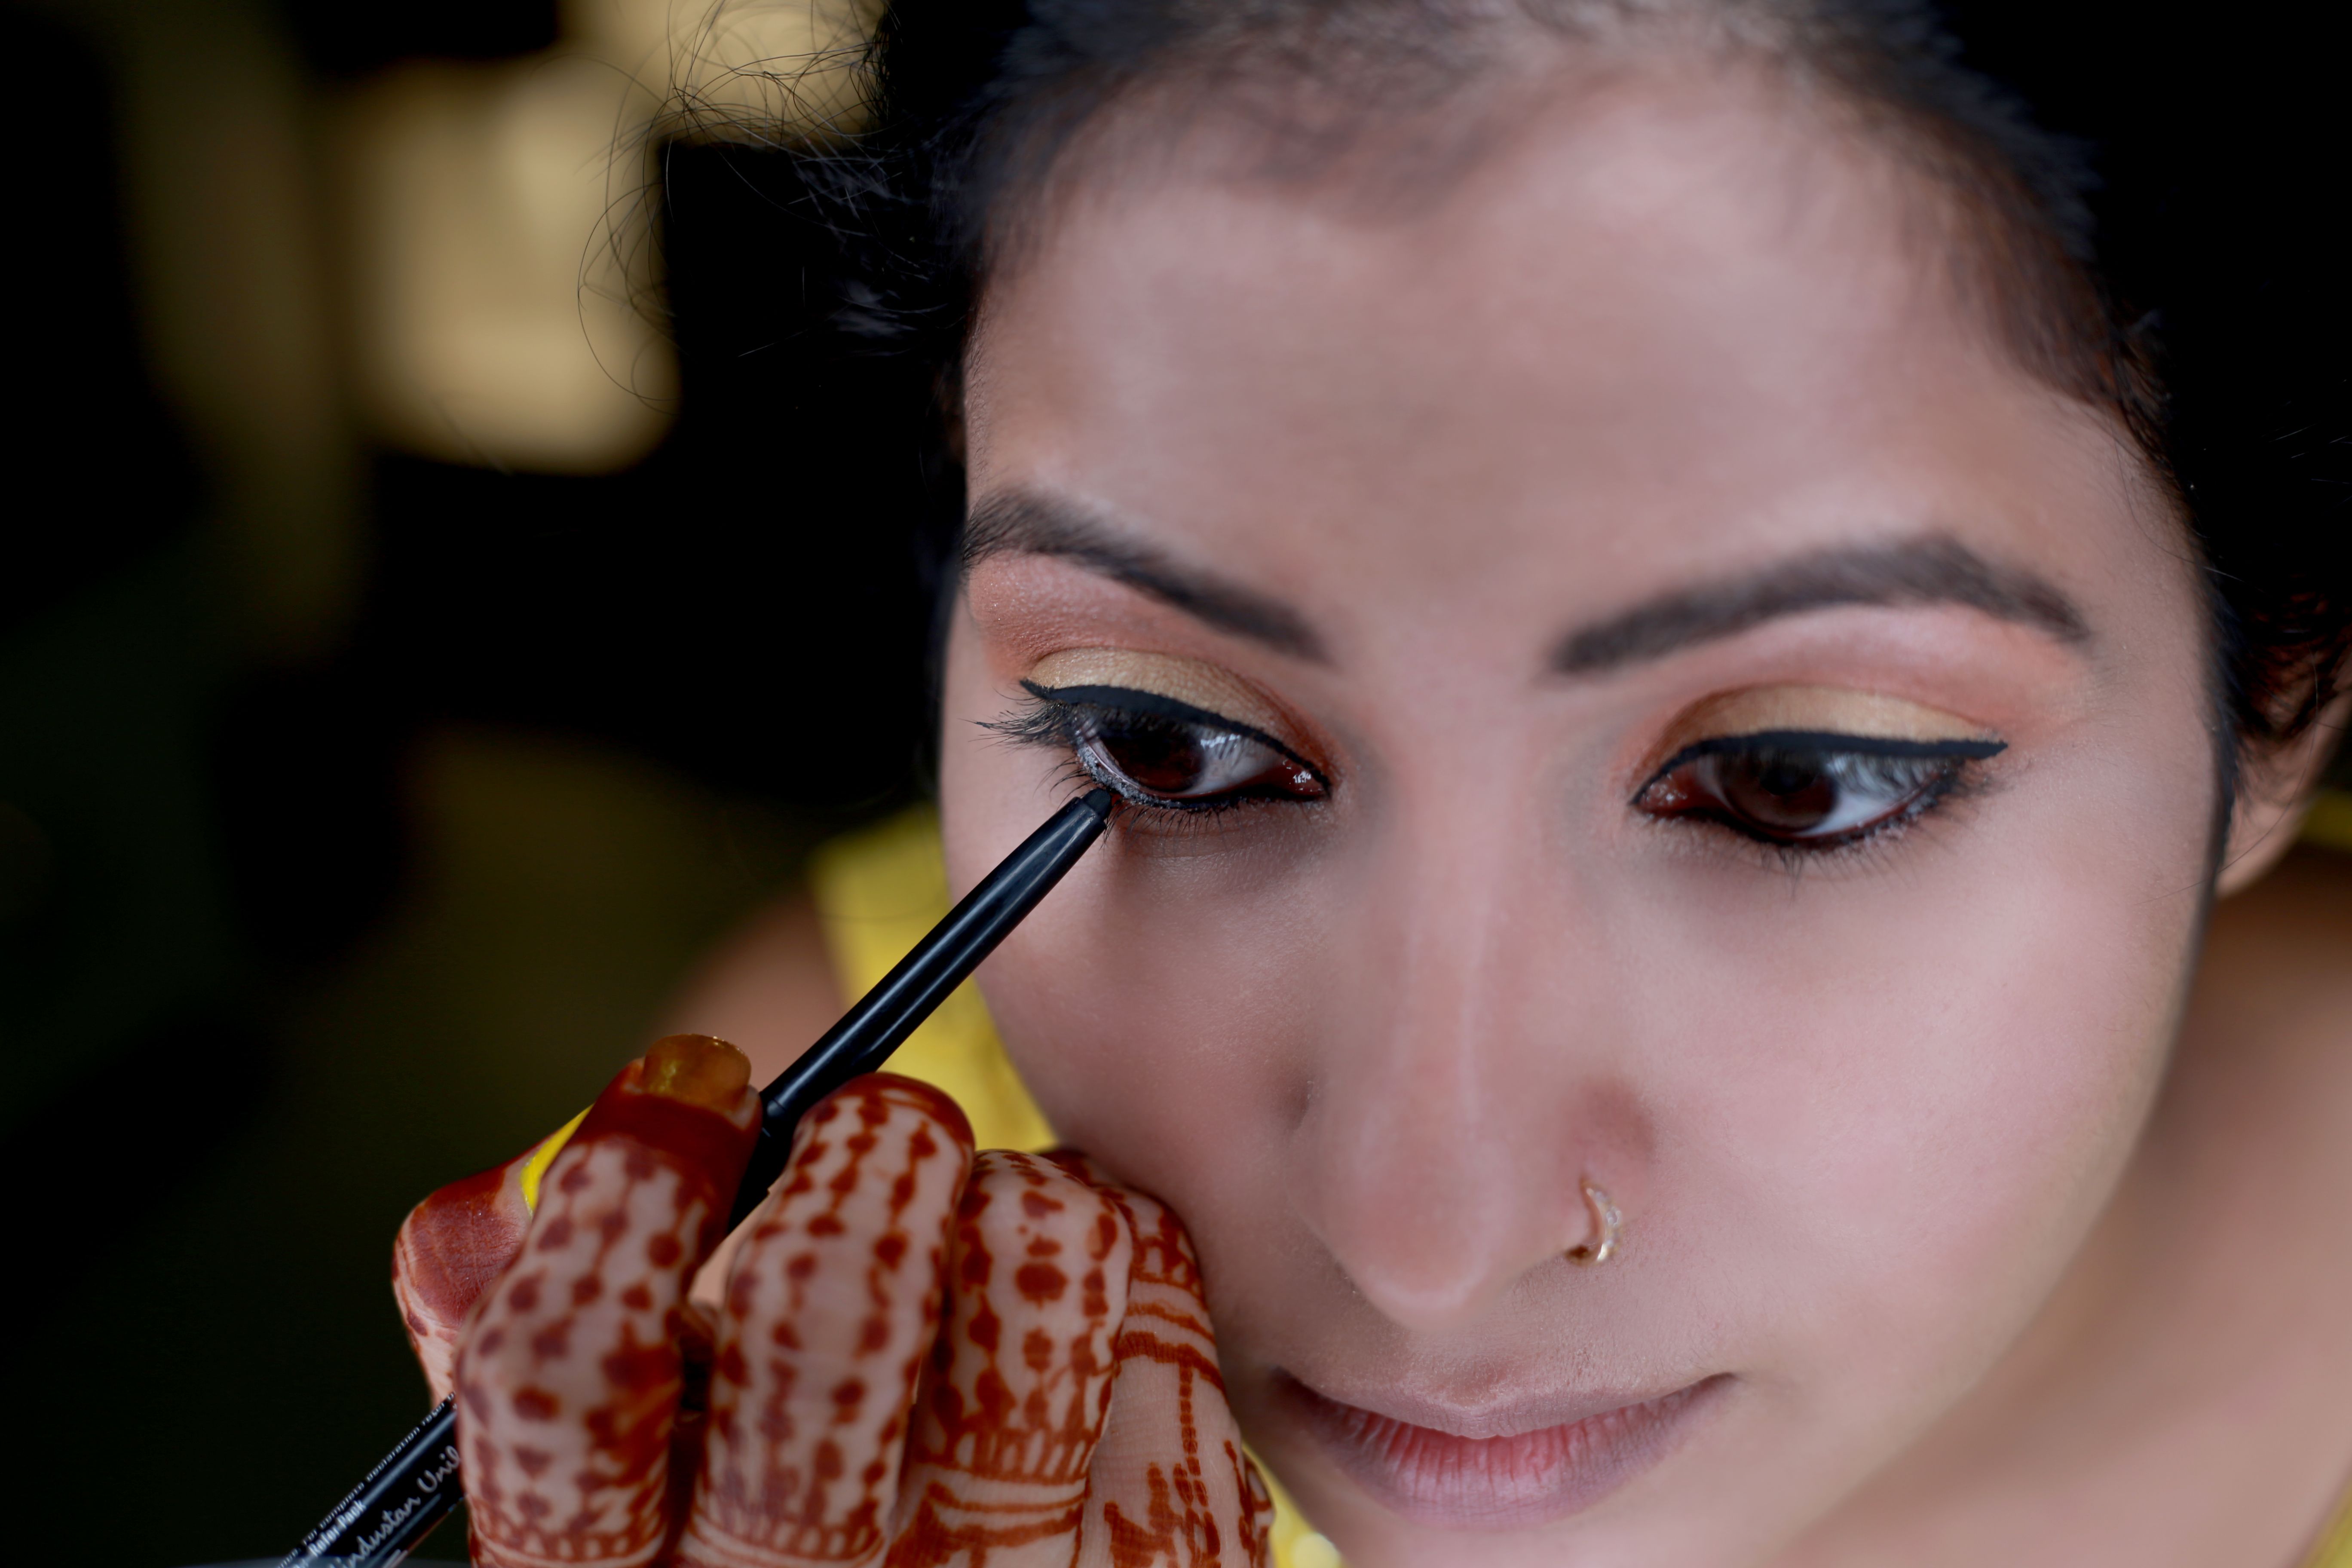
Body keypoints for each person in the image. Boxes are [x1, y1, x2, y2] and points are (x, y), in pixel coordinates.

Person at [390, 2, 2352, 1563]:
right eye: (1167, 745)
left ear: (2280, 682)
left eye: (1797, 784)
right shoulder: (804, 1232)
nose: (1421, 1234)